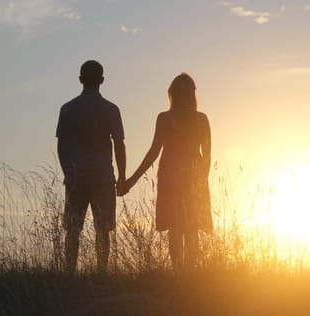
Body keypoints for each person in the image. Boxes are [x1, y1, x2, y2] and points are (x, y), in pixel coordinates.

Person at [120, 73, 212, 269]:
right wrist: (202, 181)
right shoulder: (199, 119)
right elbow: (207, 156)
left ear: (172, 94)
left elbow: (154, 152)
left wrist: (131, 180)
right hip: (189, 176)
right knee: (189, 226)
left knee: (178, 226)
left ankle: (181, 271)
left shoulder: (168, 118)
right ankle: (187, 272)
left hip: (174, 175)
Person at [56, 60, 126, 274]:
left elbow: (61, 146)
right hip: (104, 177)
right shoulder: (111, 109)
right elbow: (119, 145)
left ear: (80, 80)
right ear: (102, 80)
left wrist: (69, 172)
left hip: (77, 177)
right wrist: (122, 177)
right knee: (103, 230)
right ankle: (101, 272)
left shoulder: (67, 109)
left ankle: (69, 272)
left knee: (73, 230)